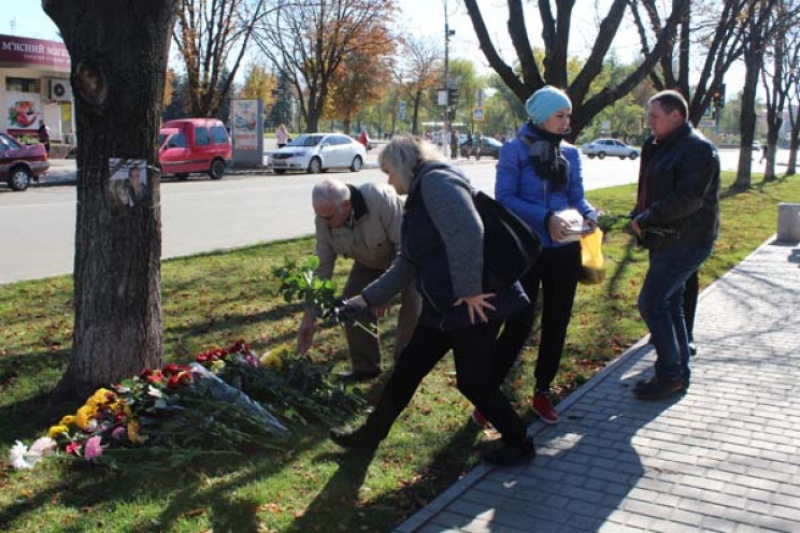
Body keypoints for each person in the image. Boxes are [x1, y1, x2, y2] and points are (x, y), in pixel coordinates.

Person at [329, 135, 535, 465]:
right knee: (407, 370)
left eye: (389, 173)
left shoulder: (437, 182)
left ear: (401, 166)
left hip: (475, 303)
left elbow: (468, 231)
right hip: (444, 306)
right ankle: (370, 435)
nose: (388, 181)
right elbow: (409, 261)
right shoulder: (420, 195)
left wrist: (468, 290)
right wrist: (364, 300)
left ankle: (519, 441)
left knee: (473, 382)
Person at [485, 85, 599, 426]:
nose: (566, 123)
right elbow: (504, 198)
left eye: (568, 116)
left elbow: (577, 196)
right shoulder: (514, 151)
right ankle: (487, 393)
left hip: (565, 250)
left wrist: (590, 214)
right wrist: (545, 218)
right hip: (527, 248)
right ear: (540, 116)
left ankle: (543, 390)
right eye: (560, 116)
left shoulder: (571, 154)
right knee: (518, 321)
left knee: (556, 321)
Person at [629, 89, 720, 400]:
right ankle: (677, 372)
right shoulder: (661, 146)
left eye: (654, 116)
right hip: (666, 239)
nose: (648, 122)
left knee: (651, 303)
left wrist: (649, 216)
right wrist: (638, 214)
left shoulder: (697, 149)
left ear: (676, 116)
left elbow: (688, 198)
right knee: (669, 303)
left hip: (687, 241)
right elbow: (650, 187)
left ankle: (669, 375)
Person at [298, 178, 421, 382]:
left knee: (414, 303)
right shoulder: (323, 219)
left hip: (410, 260)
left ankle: (406, 368)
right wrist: (309, 316)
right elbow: (322, 268)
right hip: (369, 261)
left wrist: (384, 293)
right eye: (318, 216)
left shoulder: (380, 199)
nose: (323, 222)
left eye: (327, 217)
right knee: (350, 302)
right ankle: (366, 367)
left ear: (345, 206)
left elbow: (406, 251)